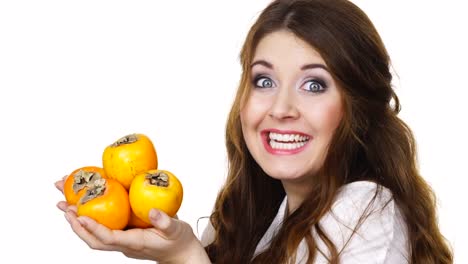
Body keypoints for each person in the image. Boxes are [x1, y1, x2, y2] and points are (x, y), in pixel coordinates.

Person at [55, 0, 454, 263]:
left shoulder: (366, 211)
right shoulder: (254, 216)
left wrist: (186, 257)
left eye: (314, 84)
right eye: (263, 81)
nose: (280, 109)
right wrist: (169, 244)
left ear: (358, 105)